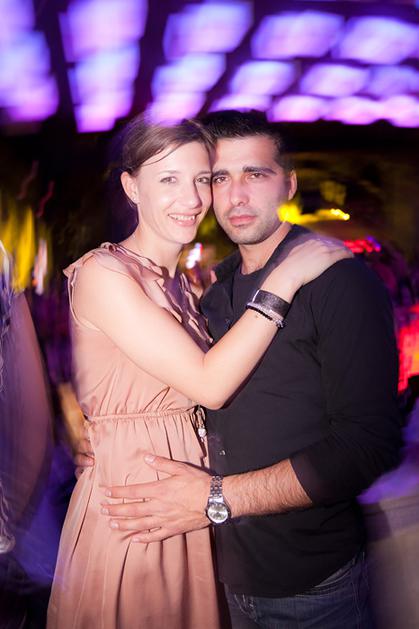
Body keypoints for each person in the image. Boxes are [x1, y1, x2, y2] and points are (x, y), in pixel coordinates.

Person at [91, 111, 402, 628]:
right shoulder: (214, 292)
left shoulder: (337, 280)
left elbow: (368, 445)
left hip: (312, 583)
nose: (235, 195)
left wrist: (217, 498)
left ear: (288, 184)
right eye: (218, 178)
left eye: (254, 174)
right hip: (219, 576)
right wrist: (103, 436)